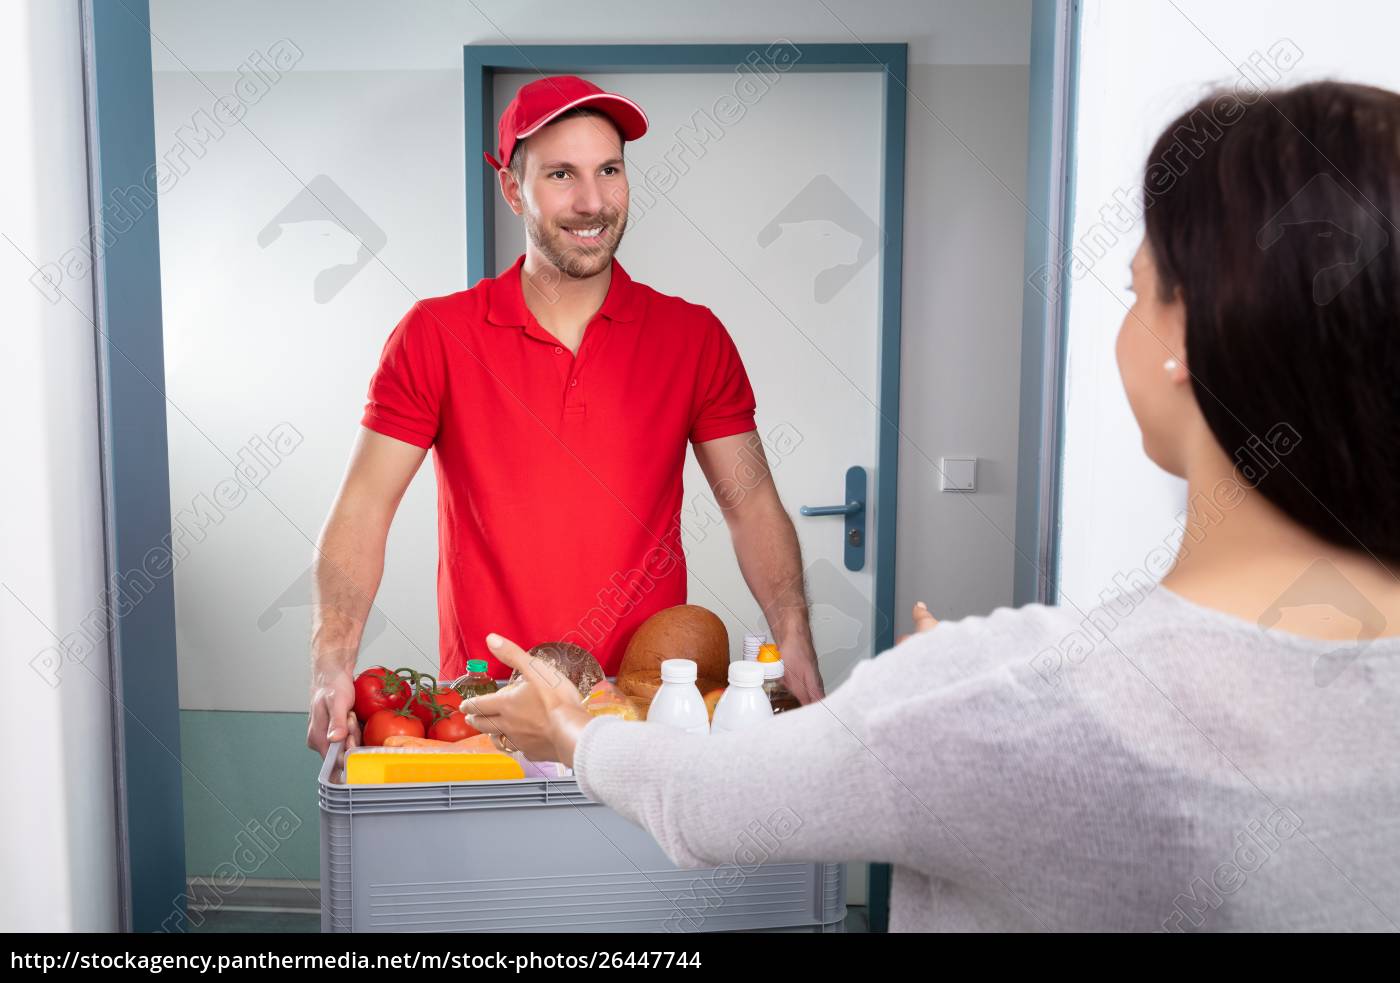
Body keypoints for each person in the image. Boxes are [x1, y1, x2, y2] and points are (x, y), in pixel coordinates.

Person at [465, 80, 1400, 931]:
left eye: (1137, 289)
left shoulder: (1002, 697)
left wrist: (572, 729)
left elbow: (701, 802)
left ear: (1186, 339)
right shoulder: (988, 699)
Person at [307, 75, 825, 759]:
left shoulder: (692, 337)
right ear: (514, 190)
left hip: (645, 716)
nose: (592, 201)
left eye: (609, 170)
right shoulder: (435, 335)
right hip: (488, 713)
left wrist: (794, 642)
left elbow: (752, 502)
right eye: (561, 174)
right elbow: (364, 506)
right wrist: (332, 661)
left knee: (644, 870)